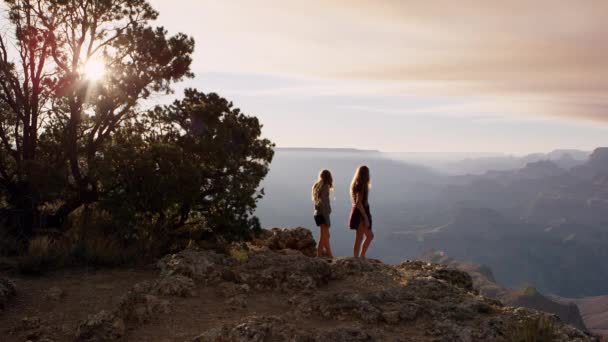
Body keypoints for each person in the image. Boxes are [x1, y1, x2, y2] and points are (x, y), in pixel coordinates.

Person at [349, 165, 373, 258]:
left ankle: (361, 256)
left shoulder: (357, 184)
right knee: (359, 237)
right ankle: (357, 258)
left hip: (361, 211)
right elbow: (359, 203)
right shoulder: (360, 185)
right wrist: (365, 217)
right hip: (361, 213)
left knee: (369, 236)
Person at [312, 169, 334, 258]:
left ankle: (329, 254)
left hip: (317, 213)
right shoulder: (325, 187)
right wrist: (327, 219)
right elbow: (324, 203)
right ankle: (320, 256)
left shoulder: (317, 186)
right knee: (324, 236)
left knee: (326, 235)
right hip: (323, 214)